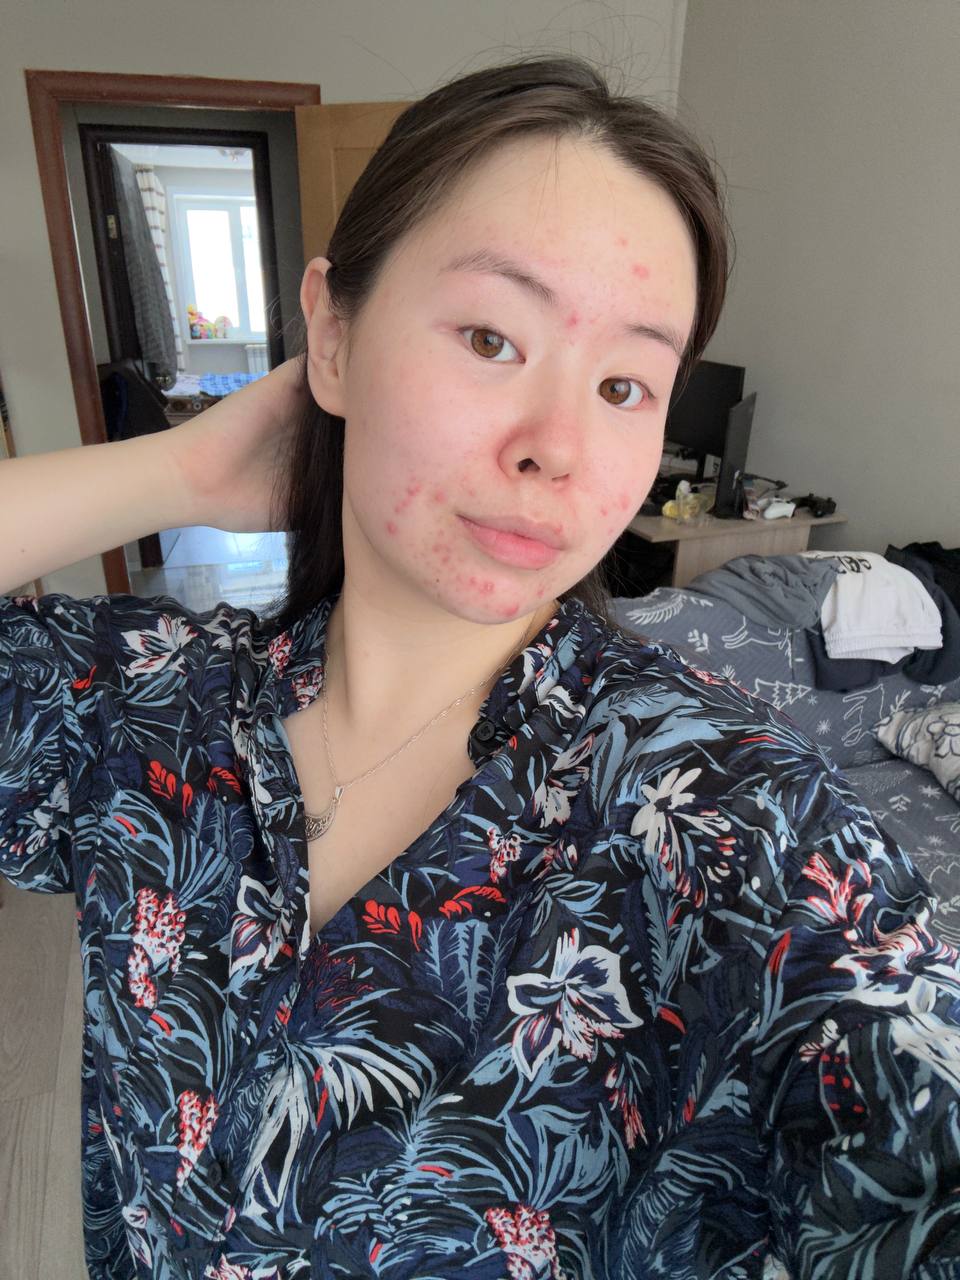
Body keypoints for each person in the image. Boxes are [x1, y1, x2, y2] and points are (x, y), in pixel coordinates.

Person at [1, 54, 958, 1280]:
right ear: (333, 335)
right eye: (493, 337)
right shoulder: (140, 704)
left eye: (624, 384)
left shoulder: (736, 826)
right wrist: (174, 470)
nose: (559, 445)